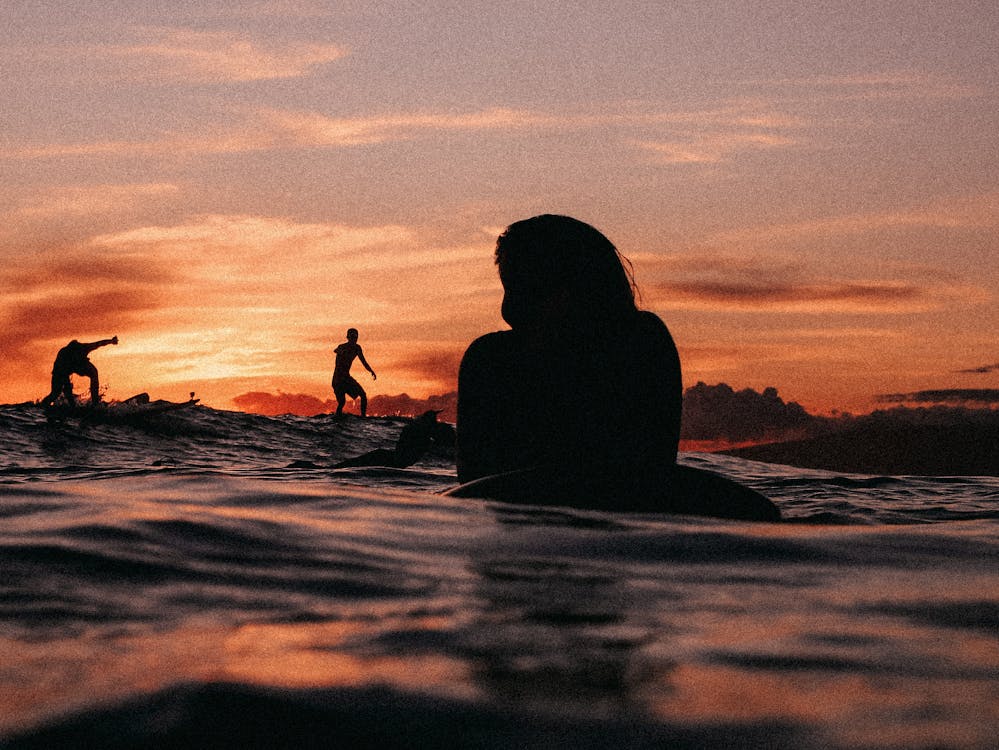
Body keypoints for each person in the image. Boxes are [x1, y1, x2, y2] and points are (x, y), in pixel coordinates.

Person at [455, 215, 683, 507]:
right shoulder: (490, 359)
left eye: (527, 288)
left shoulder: (642, 343)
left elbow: (650, 464)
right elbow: (474, 474)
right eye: (509, 288)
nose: (508, 309)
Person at [40, 336, 119, 407]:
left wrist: (111, 341)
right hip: (60, 372)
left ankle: (95, 403)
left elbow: (99, 343)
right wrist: (72, 405)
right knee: (56, 393)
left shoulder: (83, 348)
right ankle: (43, 405)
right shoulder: (64, 354)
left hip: (79, 365)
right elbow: (66, 383)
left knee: (94, 372)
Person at [332, 328, 376, 417]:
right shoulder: (342, 347)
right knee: (342, 402)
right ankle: (336, 418)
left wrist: (371, 371)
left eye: (356, 337)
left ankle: (363, 417)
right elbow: (336, 350)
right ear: (348, 337)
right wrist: (341, 351)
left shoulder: (357, 348)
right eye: (352, 337)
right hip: (338, 379)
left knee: (363, 395)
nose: (354, 339)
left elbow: (363, 361)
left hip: (347, 378)